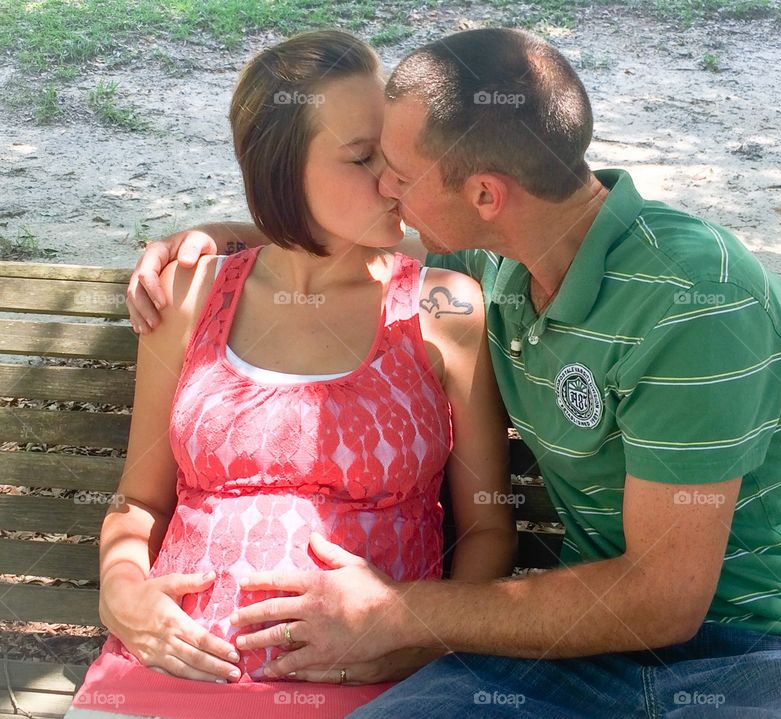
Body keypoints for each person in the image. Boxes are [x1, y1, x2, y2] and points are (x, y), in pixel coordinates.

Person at [128, 27, 781, 719]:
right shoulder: (499, 261)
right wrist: (213, 235)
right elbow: (335, 240)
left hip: (775, 651)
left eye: (398, 171)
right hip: (585, 655)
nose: (386, 189)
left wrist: (399, 613)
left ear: (484, 194)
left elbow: (665, 599)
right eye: (371, 162)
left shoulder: (696, 299)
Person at [66, 29, 517, 719]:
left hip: (374, 685)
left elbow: (487, 528)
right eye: (363, 157)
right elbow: (140, 500)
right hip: (167, 666)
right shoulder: (189, 297)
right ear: (282, 171)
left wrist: (423, 640)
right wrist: (121, 591)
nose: (396, 179)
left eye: (396, 151)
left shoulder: (442, 308)